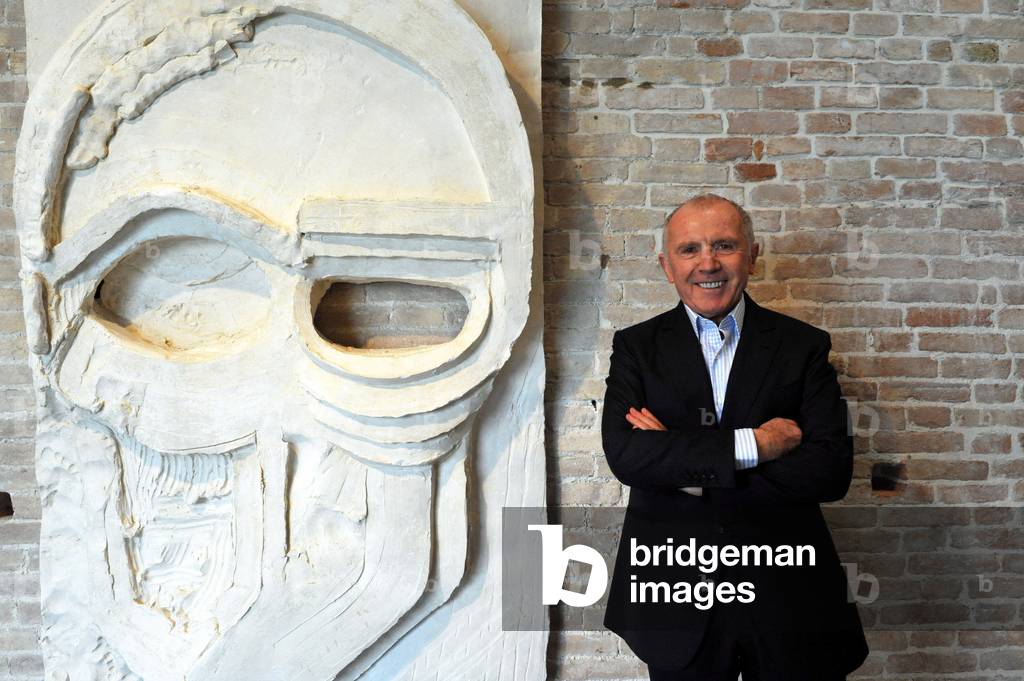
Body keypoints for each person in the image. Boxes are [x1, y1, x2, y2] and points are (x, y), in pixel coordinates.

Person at [601, 194, 868, 681]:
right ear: (667, 265)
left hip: (788, 596)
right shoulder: (636, 348)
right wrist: (757, 447)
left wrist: (684, 466)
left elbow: (830, 471)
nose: (708, 263)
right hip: (675, 598)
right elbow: (628, 456)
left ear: (752, 255)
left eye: (724, 245)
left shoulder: (803, 346)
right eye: (690, 249)